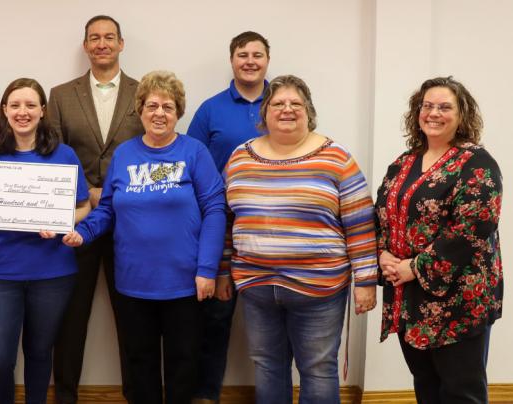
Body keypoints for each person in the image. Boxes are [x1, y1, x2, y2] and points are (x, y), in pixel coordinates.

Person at [63, 71, 226, 404]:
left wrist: (207, 269)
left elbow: (215, 211)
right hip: (133, 283)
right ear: (140, 111)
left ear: (179, 112)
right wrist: (82, 233)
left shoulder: (194, 152)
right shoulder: (124, 154)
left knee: (184, 367)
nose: (159, 113)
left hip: (185, 283)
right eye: (152, 105)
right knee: (140, 367)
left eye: (168, 106)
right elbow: (107, 209)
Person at [224, 75, 377, 403]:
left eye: (296, 103)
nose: (287, 109)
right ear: (264, 113)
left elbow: (361, 222)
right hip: (256, 285)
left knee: (318, 367)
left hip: (319, 288)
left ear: (309, 111)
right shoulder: (240, 157)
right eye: (278, 103)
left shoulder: (336, 157)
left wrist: (365, 280)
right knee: (267, 365)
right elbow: (226, 220)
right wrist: (223, 270)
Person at [375, 76, 502, 404]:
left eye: (445, 107)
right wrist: (383, 255)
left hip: (458, 299)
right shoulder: (404, 162)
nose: (434, 113)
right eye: (427, 106)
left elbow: (473, 229)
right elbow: (382, 213)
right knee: (426, 386)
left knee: (462, 392)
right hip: (411, 299)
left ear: (462, 115)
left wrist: (414, 267)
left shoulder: (476, 162)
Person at [0, 78, 91, 404]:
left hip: (52, 273)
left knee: (39, 352)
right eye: (15, 105)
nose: (23, 112)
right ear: (4, 110)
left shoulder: (63, 155)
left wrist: (61, 221)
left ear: (42, 111)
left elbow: (84, 206)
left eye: (30, 105)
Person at [47, 14, 144, 403]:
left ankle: (137, 393)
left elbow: (153, 149)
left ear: (121, 44)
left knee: (132, 315)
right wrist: (87, 191)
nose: (101, 44)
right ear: (85, 46)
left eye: (109, 37)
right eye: (94, 38)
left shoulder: (144, 92)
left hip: (131, 222)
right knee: (71, 317)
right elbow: (52, 156)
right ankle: (66, 394)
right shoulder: (60, 95)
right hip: (79, 220)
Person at [186, 30, 270, 404]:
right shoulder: (210, 109)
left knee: (271, 311)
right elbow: (189, 165)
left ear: (267, 59)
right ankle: (206, 394)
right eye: (242, 54)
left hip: (272, 225)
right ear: (231, 60)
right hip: (221, 224)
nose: (249, 60)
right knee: (216, 315)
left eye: (257, 54)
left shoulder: (283, 104)